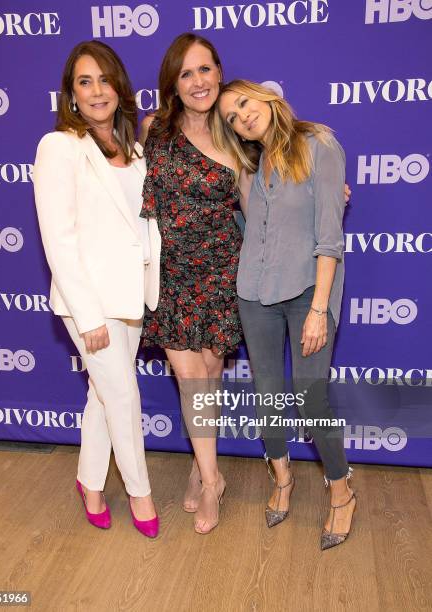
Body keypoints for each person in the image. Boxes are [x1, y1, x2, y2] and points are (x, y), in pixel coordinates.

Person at [214, 79, 356, 550]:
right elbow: (251, 227)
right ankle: (283, 479)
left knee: (310, 399)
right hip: (254, 293)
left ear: (267, 97)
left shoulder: (320, 145)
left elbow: (330, 237)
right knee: (268, 395)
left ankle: (341, 492)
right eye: (231, 117)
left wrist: (319, 308)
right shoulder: (247, 167)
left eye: (243, 103)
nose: (241, 117)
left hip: (308, 293)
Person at [33, 40, 160, 537]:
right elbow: (58, 239)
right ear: (71, 94)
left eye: (105, 79)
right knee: (123, 395)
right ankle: (140, 493)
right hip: (90, 302)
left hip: (132, 297)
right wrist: (87, 317)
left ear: (119, 86)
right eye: (85, 82)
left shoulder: (135, 150)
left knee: (102, 395)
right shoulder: (60, 147)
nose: (97, 90)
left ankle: (89, 482)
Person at [138, 33, 242, 534]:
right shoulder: (154, 128)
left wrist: (325, 190)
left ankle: (201, 465)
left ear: (219, 73)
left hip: (223, 270)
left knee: (210, 376)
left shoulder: (237, 132)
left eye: (205, 70)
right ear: (173, 84)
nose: (198, 81)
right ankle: (212, 477)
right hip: (171, 273)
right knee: (191, 378)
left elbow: (267, 198)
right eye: (186, 73)